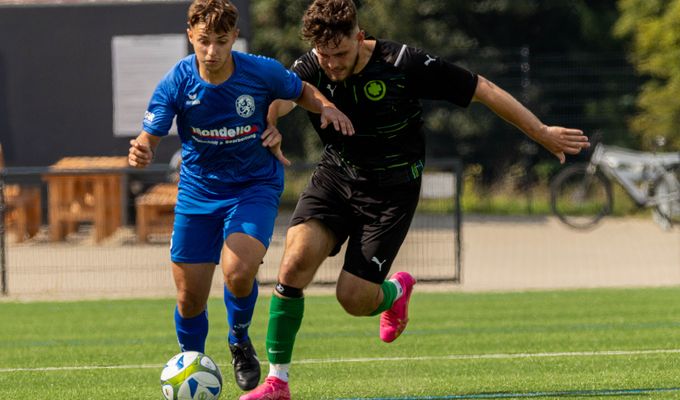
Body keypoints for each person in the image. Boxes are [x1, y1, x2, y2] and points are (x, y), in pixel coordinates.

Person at [241, 0, 591, 398]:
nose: (332, 65)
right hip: (336, 178)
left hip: (391, 192)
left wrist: (541, 131)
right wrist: (271, 121)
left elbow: (482, 88)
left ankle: (394, 292)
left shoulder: (403, 63)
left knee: (353, 300)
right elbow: (284, 96)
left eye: (341, 54)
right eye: (325, 55)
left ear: (360, 36)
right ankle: (277, 382)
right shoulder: (313, 65)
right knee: (293, 265)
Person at [127, 0, 353, 392]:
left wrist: (328, 107)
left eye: (220, 41)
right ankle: (192, 365)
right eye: (203, 41)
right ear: (190, 38)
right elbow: (151, 134)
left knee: (238, 270)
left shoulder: (259, 71)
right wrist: (143, 148)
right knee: (189, 299)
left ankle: (239, 339)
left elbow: (301, 91)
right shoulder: (177, 82)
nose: (211, 51)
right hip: (198, 192)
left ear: (234, 38)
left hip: (253, 187)